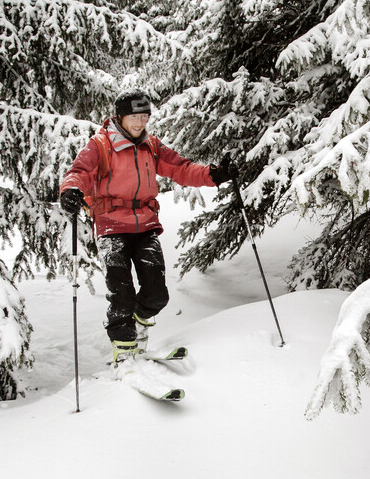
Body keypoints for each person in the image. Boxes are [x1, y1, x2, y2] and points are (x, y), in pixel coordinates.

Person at [59, 89, 237, 364]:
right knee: (122, 293)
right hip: (111, 226)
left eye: (145, 117)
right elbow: (79, 172)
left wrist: (215, 175)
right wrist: (70, 190)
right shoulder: (100, 145)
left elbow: (181, 168)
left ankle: (138, 325)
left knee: (157, 294)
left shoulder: (151, 145)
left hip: (145, 225)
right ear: (120, 117)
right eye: (135, 117)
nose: (140, 123)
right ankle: (124, 349)